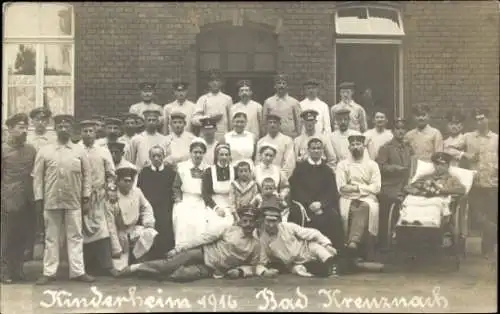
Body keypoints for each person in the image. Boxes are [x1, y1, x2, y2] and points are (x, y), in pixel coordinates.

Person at [120, 206, 277, 280]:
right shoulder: (228, 229)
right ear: (240, 221)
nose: (248, 224)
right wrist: (178, 248)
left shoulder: (255, 245)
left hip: (211, 269)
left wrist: (241, 272)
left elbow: (254, 266)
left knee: (178, 276)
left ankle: (151, 271)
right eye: (245, 220)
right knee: (168, 265)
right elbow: (202, 239)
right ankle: (136, 268)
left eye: (251, 221)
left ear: (256, 223)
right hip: (201, 254)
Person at [32, 114, 94, 285]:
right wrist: (39, 199)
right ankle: (49, 272)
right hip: (51, 200)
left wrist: (86, 197)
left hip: (73, 200)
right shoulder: (45, 151)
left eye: (67, 126)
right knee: (51, 237)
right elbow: (37, 178)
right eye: (60, 126)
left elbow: (87, 175)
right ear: (56, 128)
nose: (64, 128)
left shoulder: (79, 151)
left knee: (75, 236)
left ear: (71, 128)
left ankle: (78, 271)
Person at [258, 198, 338, 278]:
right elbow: (262, 261)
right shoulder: (262, 239)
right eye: (268, 221)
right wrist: (265, 272)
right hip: (293, 264)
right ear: (263, 221)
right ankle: (320, 269)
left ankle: (332, 268)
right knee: (300, 270)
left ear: (279, 221)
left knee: (318, 248)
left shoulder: (288, 226)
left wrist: (327, 245)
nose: (271, 225)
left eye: (274, 221)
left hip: (306, 251)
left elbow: (313, 233)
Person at [288, 137, 345, 250]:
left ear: (322, 151)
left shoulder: (327, 170)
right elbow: (296, 189)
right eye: (313, 148)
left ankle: (332, 251)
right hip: (304, 206)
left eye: (319, 148)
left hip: (323, 207)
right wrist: (309, 204)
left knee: (334, 218)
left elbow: (331, 191)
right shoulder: (300, 169)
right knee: (296, 217)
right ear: (308, 150)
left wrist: (321, 204)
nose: (316, 151)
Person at [78, 120, 117, 276]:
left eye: (91, 131)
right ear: (81, 133)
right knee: (81, 231)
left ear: (95, 133)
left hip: (99, 196)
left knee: (103, 230)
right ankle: (83, 267)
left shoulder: (103, 150)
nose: (88, 134)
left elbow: (111, 173)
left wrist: (111, 189)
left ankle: (107, 265)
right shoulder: (76, 149)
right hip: (81, 197)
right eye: (85, 131)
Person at [1, 113, 37, 283]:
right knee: (6, 237)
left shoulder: (31, 150)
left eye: (26, 128)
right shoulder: (3, 150)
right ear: (10, 129)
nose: (24, 131)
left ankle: (18, 269)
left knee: (22, 236)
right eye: (20, 127)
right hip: (8, 200)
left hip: (27, 199)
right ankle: (4, 271)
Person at [336, 135, 381, 261]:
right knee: (350, 210)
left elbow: (376, 187)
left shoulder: (372, 165)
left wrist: (356, 188)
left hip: (368, 198)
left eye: (358, 144)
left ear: (364, 146)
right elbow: (341, 188)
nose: (356, 147)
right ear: (349, 147)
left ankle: (353, 243)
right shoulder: (342, 165)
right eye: (353, 144)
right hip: (347, 198)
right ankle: (353, 246)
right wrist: (364, 187)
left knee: (364, 207)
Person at [106, 167, 157, 271]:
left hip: (133, 230)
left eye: (131, 181)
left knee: (150, 233)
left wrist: (148, 221)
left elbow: (146, 207)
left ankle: (139, 261)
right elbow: (110, 224)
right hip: (118, 232)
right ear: (118, 181)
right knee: (120, 271)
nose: (128, 184)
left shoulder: (137, 192)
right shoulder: (112, 196)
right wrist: (116, 247)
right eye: (125, 180)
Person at [463, 108, 498, 258]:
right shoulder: (468, 137)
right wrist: (465, 154)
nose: (480, 121)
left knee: (491, 216)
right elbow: (449, 148)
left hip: (492, 184)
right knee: (478, 216)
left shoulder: (496, 139)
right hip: (476, 184)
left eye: (483, 118)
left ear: (488, 119)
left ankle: (488, 250)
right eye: (477, 119)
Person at [375, 118, 415, 248]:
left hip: (406, 185)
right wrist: (395, 168)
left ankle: (407, 239)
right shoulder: (386, 148)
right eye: (398, 128)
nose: (400, 131)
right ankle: (384, 242)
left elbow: (413, 164)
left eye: (403, 128)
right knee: (391, 204)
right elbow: (379, 167)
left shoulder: (408, 148)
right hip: (390, 185)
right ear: (393, 131)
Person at [137, 146, 177, 260]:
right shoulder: (144, 173)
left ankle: (165, 258)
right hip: (149, 209)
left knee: (165, 230)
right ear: (149, 157)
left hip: (166, 208)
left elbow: (173, 191)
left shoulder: (170, 173)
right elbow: (140, 191)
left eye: (159, 155)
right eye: (153, 156)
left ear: (163, 157)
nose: (156, 158)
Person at [172, 138, 211, 247]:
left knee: (201, 224)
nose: (197, 155)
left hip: (201, 201)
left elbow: (209, 190)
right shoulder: (182, 167)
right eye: (195, 152)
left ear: (204, 154)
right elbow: (176, 187)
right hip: (185, 200)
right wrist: (179, 200)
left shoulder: (208, 169)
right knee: (182, 222)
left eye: (200, 152)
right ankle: (181, 252)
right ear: (190, 153)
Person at [201, 143, 236, 228]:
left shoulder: (234, 170)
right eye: (221, 154)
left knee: (231, 225)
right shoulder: (209, 171)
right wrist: (216, 208)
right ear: (217, 156)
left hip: (231, 204)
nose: (224, 157)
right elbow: (205, 193)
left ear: (229, 156)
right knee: (215, 224)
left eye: (226, 155)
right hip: (215, 203)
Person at [192, 69, 233, 141]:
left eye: (217, 81)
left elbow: (231, 120)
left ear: (221, 83)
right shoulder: (203, 99)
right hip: (206, 134)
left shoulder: (227, 99)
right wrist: (209, 118)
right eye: (212, 81)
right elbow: (194, 120)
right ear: (208, 83)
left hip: (222, 135)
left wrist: (231, 135)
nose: (215, 83)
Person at [256, 112, 296, 180]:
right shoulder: (261, 142)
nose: (272, 125)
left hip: (280, 177)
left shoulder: (287, 140)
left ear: (279, 124)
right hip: (263, 178)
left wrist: (281, 178)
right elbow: (257, 162)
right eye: (270, 122)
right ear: (266, 125)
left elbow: (289, 163)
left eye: (275, 122)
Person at [262, 74, 302, 138]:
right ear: (275, 86)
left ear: (287, 86)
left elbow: (299, 122)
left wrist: (297, 136)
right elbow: (264, 122)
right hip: (273, 136)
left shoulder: (294, 102)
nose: (281, 86)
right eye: (279, 83)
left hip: (290, 136)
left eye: (283, 83)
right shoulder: (268, 102)